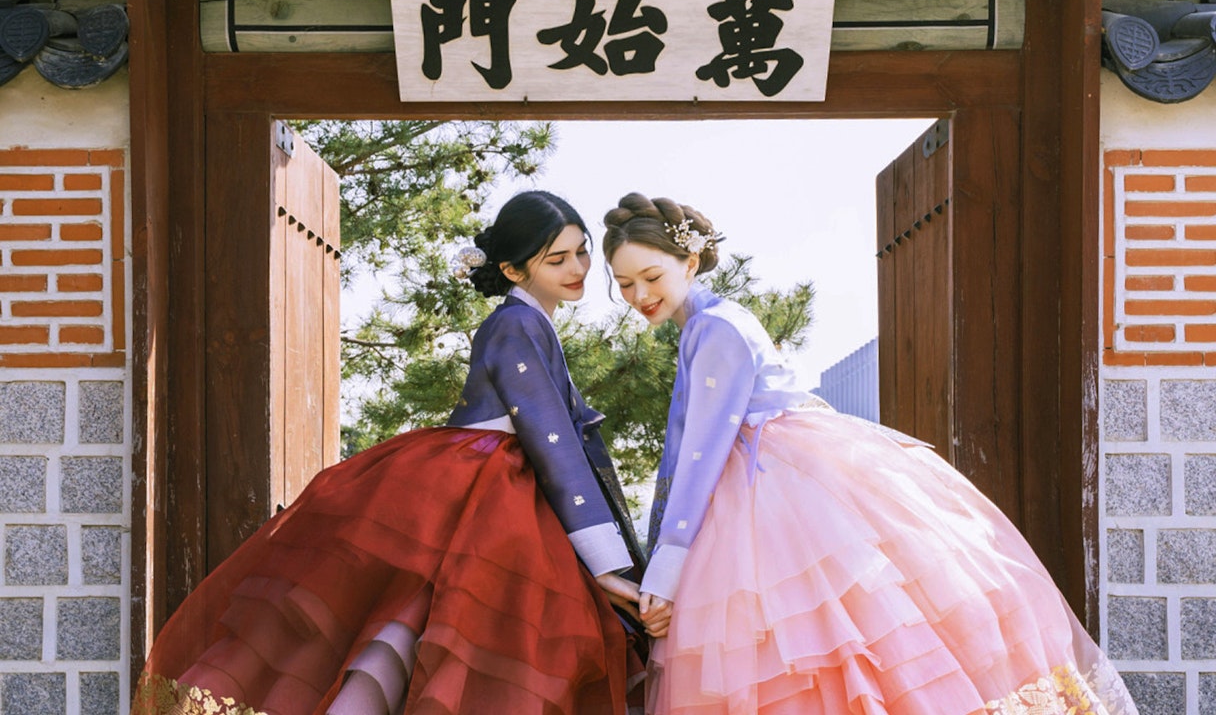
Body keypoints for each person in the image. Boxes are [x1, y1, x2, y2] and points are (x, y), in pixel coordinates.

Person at [603, 192, 1138, 715]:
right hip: (780, 480)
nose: (639, 295)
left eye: (651, 278)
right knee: (837, 644)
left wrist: (667, 572)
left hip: (765, 489)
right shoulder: (714, 319)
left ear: (689, 262)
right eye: (624, 284)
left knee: (802, 650)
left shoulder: (713, 326)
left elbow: (701, 453)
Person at [132, 190, 647, 715]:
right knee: (443, 641)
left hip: (478, 485)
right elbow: (551, 438)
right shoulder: (516, 324)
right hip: (487, 489)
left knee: (411, 635)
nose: (578, 267)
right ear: (513, 271)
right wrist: (605, 563)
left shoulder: (529, 322)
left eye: (581, 252)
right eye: (557, 259)